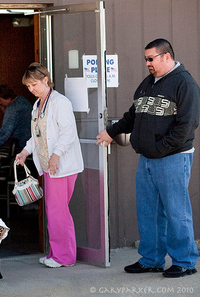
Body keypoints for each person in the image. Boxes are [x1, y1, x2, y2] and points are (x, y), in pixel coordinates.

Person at [96, 38, 200, 278]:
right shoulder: (147, 84)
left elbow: (187, 126)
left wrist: (159, 148)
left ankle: (185, 261)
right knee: (148, 212)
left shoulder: (185, 84)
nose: (148, 63)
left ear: (166, 56)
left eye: (151, 59)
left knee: (176, 211)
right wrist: (111, 132)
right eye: (146, 59)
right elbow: (132, 116)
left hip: (173, 158)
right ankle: (152, 259)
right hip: (148, 160)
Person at [15, 62, 84, 268]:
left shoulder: (60, 102)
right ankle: (56, 253)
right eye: (28, 86)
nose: (31, 89)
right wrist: (25, 152)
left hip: (61, 166)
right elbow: (36, 135)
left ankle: (64, 257)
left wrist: (56, 155)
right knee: (54, 211)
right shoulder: (37, 105)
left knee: (58, 211)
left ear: (46, 80)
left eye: (34, 84)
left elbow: (68, 132)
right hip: (47, 166)